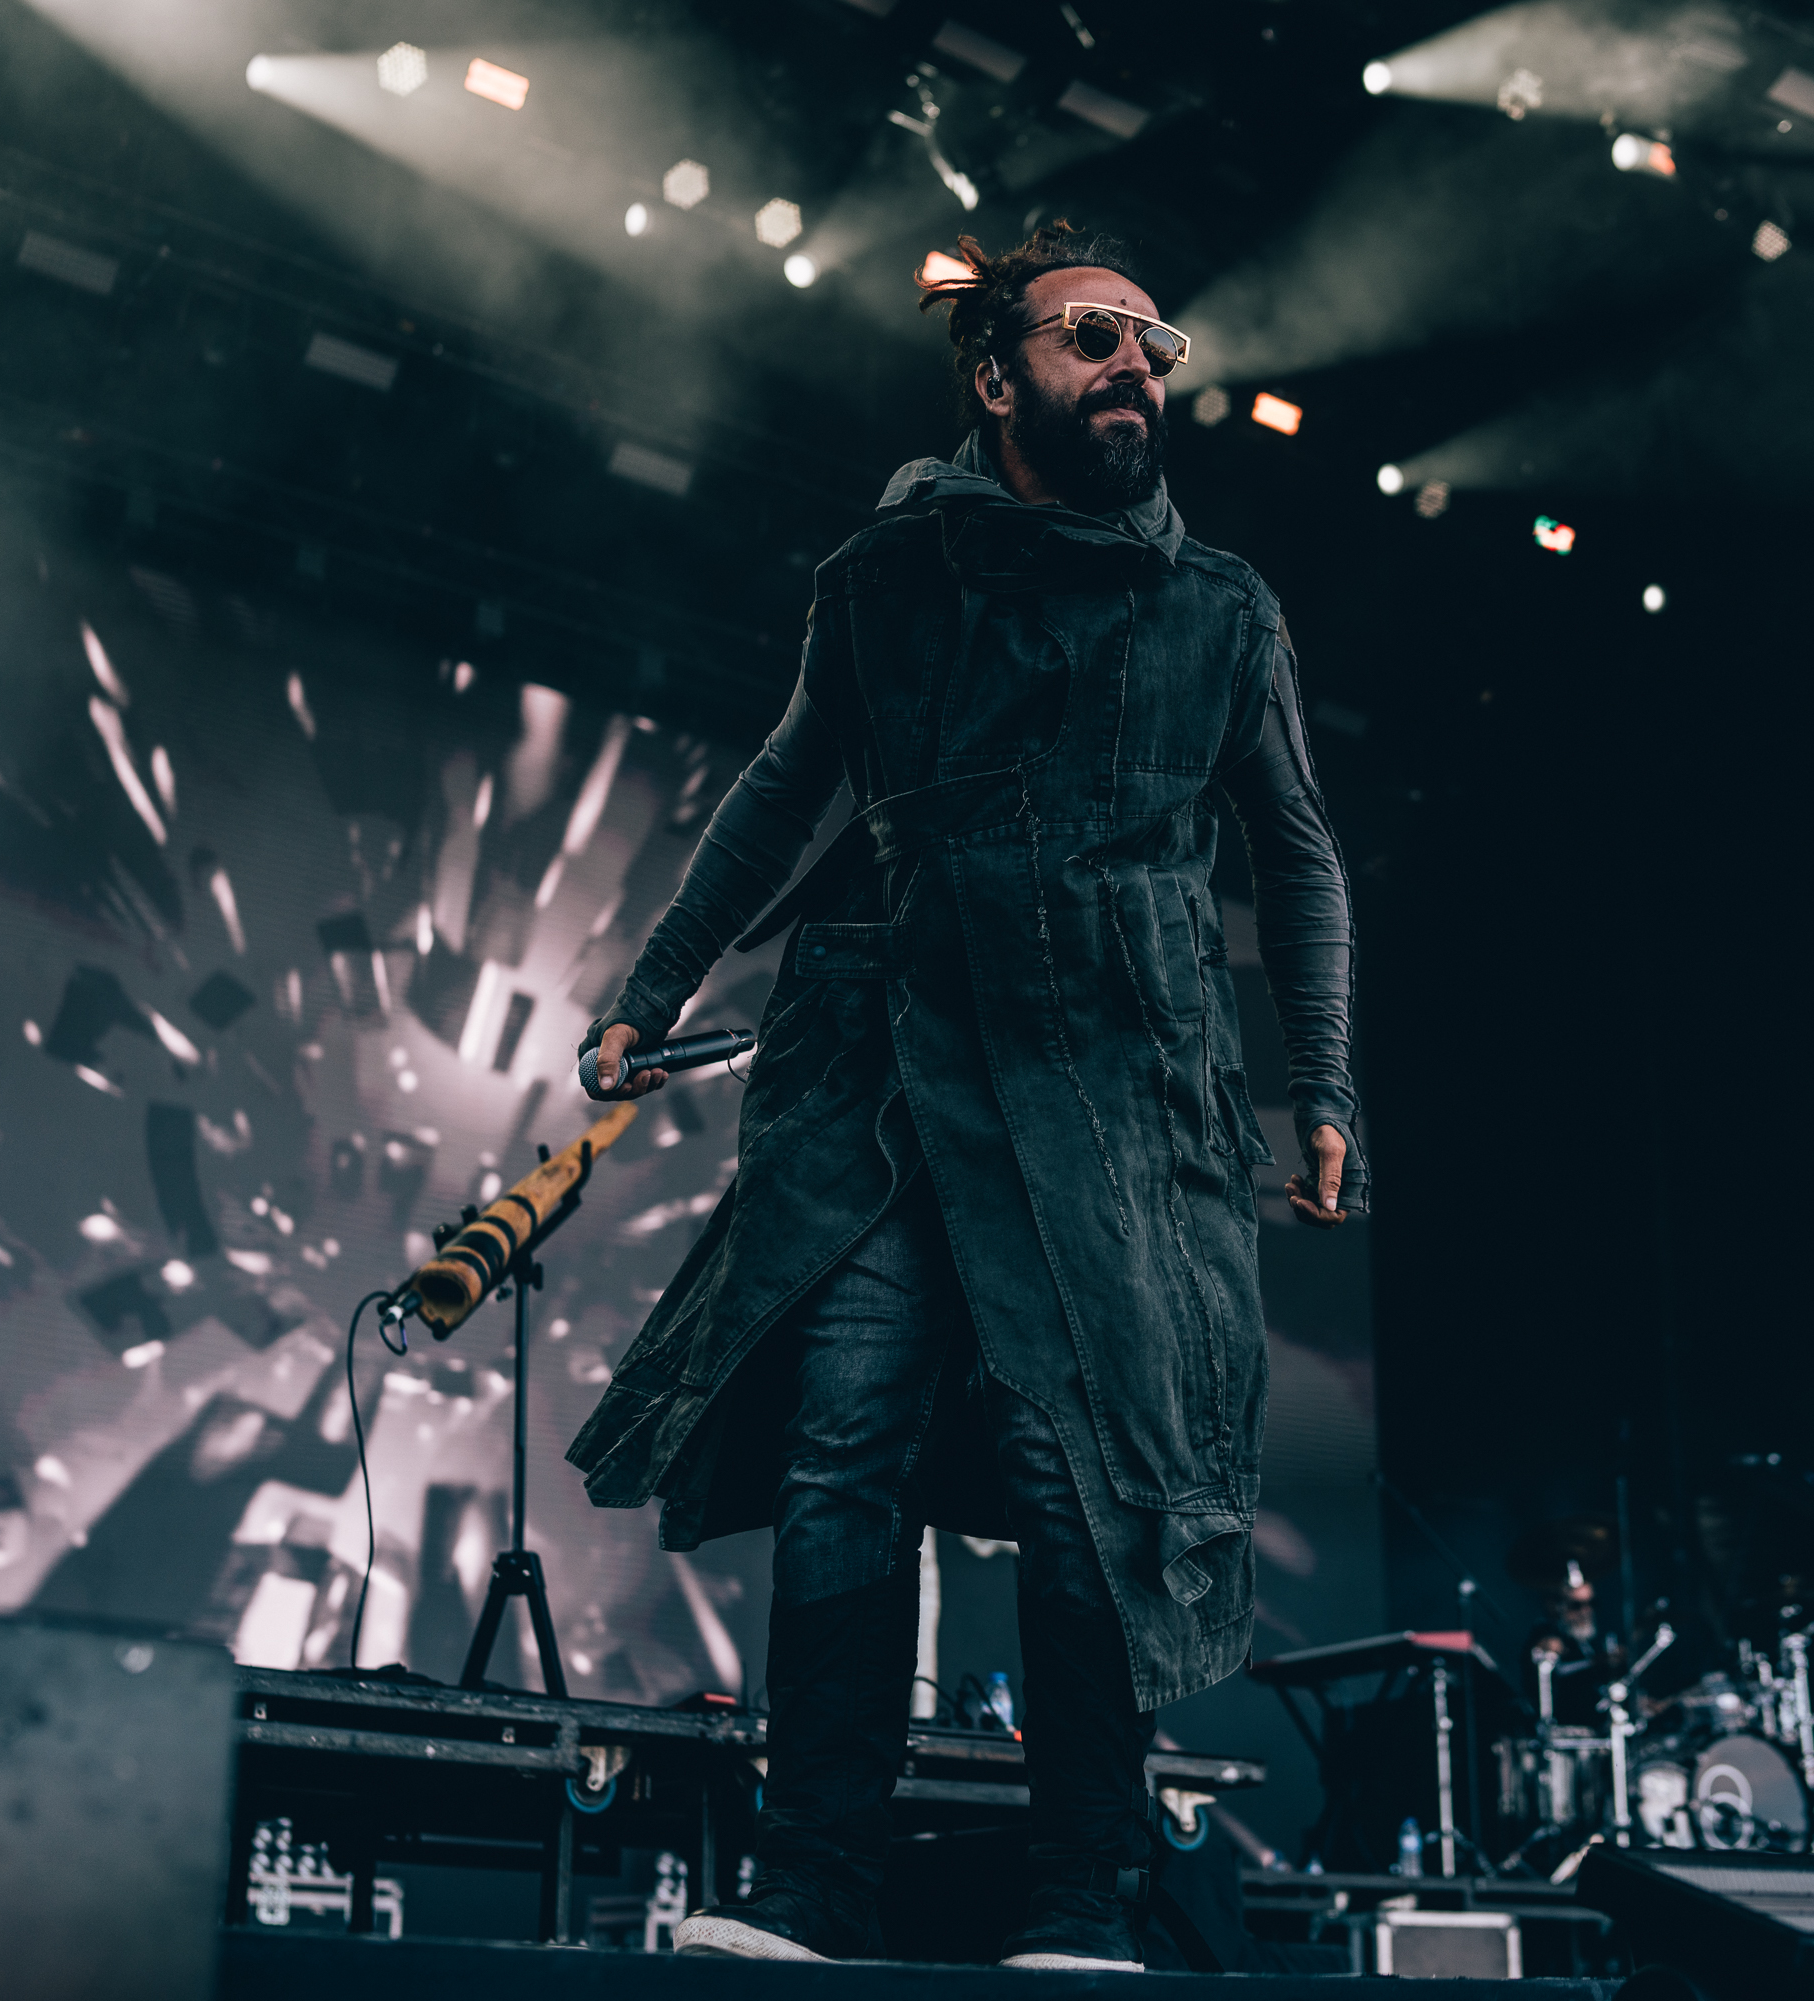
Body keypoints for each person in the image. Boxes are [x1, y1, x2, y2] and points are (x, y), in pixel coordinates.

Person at [564, 220, 1365, 1970]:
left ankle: (1083, 1901)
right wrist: (649, 988)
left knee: (1090, 1483)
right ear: (999, 379)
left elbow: (1299, 855)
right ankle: (806, 1889)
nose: (1137, 362)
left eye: (1153, 340)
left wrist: (1325, 1084)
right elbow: (784, 789)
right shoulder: (887, 579)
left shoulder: (1223, 610)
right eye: (1094, 336)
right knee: (840, 1458)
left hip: (1115, 1104)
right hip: (891, 1085)